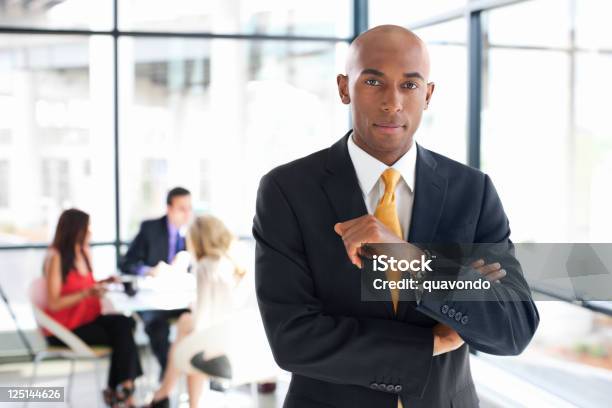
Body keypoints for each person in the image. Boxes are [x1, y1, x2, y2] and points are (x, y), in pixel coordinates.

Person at [253, 25, 540, 407]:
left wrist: (409, 259)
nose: (392, 103)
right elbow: (294, 340)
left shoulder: (472, 191)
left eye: (409, 85)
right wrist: (434, 340)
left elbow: (512, 327)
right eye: (373, 81)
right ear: (344, 88)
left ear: (428, 94)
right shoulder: (287, 191)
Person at [146, 215, 249, 408]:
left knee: (189, 335)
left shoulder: (204, 266)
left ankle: (166, 394)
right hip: (241, 344)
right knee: (187, 326)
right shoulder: (234, 263)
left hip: (220, 348)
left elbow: (203, 321)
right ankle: (167, 395)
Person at [43, 208, 142, 407]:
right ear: (75, 230)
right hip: (66, 327)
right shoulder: (56, 257)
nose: (90, 232)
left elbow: (82, 285)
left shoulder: (81, 253)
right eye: (87, 227)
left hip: (87, 318)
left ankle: (120, 389)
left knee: (126, 322)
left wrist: (104, 282)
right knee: (123, 336)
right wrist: (87, 293)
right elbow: (54, 303)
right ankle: (123, 391)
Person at [119, 187, 192, 377]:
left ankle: (203, 374)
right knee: (156, 326)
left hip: (181, 299)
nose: (187, 214)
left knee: (203, 317)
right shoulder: (150, 228)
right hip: (153, 301)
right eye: (181, 209)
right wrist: (150, 271)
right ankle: (170, 373)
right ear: (169, 208)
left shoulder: (192, 233)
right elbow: (127, 263)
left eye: (189, 208)